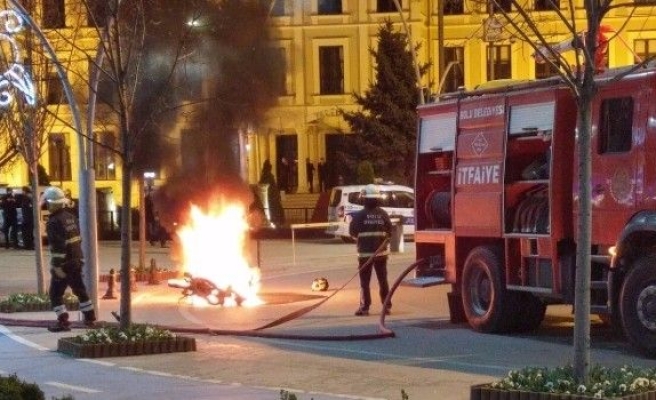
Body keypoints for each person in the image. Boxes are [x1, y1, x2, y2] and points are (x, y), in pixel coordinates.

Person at [42, 186, 96, 332]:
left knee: (55, 293)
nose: (46, 205)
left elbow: (58, 247)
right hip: (77, 260)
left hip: (64, 264)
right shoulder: (70, 217)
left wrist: (57, 266)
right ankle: (90, 318)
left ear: (52, 203)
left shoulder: (53, 222)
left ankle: (63, 322)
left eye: (47, 202)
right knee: (80, 290)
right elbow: (77, 239)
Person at [348, 184, 393, 316]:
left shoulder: (359, 215)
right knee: (383, 280)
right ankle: (386, 306)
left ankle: (365, 307)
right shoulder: (383, 214)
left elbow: (352, 232)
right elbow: (390, 232)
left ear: (364, 198)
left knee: (364, 282)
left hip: (364, 255)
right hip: (381, 254)